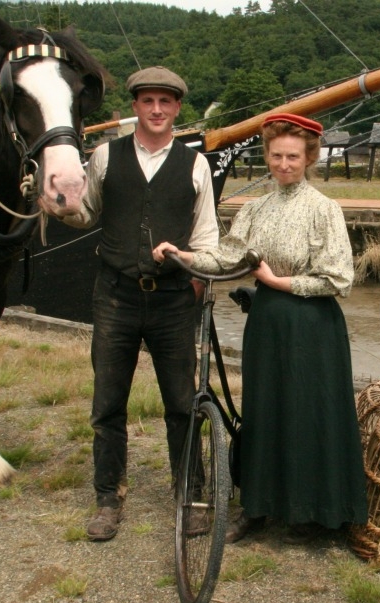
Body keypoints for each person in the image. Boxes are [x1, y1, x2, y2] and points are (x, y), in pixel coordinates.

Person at [152, 113, 368, 545]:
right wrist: (186, 256)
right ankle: (259, 507)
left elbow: (339, 278)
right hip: (267, 323)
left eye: (293, 156)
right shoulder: (253, 209)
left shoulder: (324, 209)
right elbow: (227, 258)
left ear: (309, 158)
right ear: (267, 156)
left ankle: (312, 512)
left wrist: (276, 282)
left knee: (308, 413)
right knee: (265, 411)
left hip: (312, 324)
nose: (284, 164)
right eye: (276, 156)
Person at [60, 66, 220, 541]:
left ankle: (189, 494)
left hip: (173, 301)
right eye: (147, 101)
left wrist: (186, 265)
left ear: (176, 108)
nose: (156, 110)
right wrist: (59, 204)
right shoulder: (105, 156)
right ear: (135, 106)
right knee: (108, 403)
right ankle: (108, 498)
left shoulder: (195, 166)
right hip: (115, 297)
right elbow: (84, 212)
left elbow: (208, 241)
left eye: (165, 102)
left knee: (181, 403)